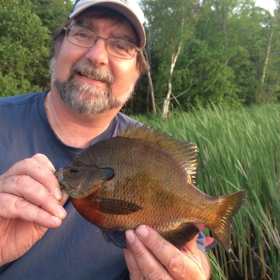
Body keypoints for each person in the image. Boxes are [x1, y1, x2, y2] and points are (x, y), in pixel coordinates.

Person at [0, 0, 211, 279]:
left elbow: (193, 254)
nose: (97, 55)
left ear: (137, 71)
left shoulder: (153, 150)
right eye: (83, 34)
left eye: (121, 45)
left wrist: (194, 274)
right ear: (58, 45)